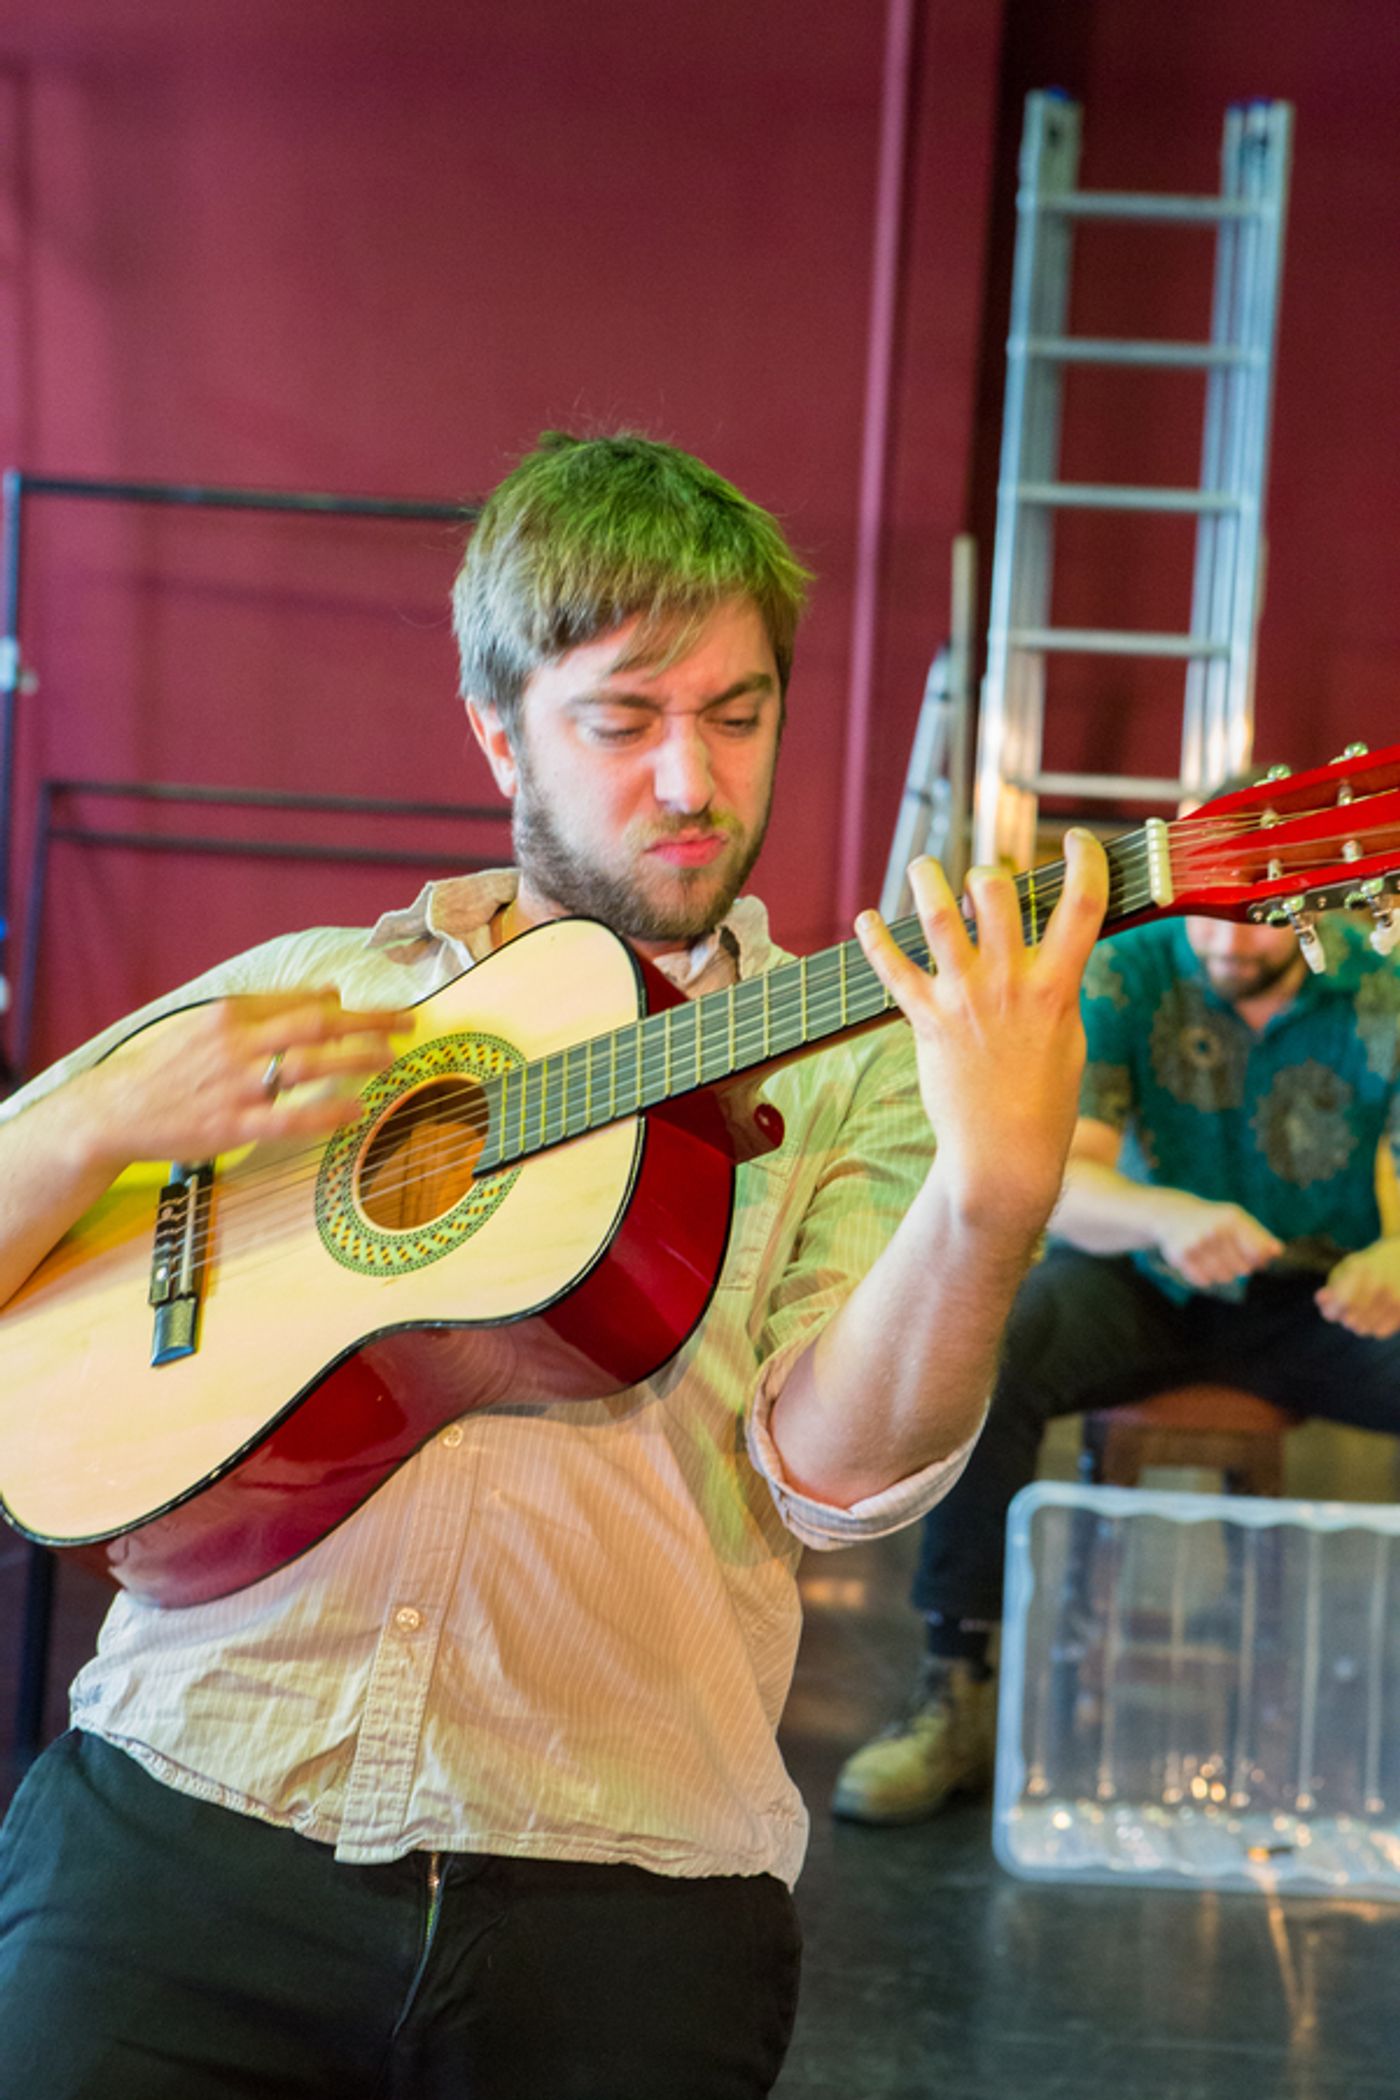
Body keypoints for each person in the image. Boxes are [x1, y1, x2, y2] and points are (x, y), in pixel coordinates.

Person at [0, 430, 1106, 2098]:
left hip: (627, 1886)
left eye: (740, 716)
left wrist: (994, 1199)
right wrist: (88, 1131)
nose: (695, 780)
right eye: (624, 720)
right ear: (497, 732)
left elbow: (838, 1476)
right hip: (190, 1820)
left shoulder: (858, 1062)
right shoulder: (328, 985)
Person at [832, 883, 1400, 1827]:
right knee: (998, 1342)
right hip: (1144, 1279)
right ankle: (954, 1687)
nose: (1218, 936)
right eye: (1208, 911)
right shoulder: (1130, 969)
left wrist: (1393, 1256)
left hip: (1312, 1290)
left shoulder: (1379, 986)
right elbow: (1059, 1179)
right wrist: (1167, 1216)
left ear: (1305, 912)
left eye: (1251, 918)